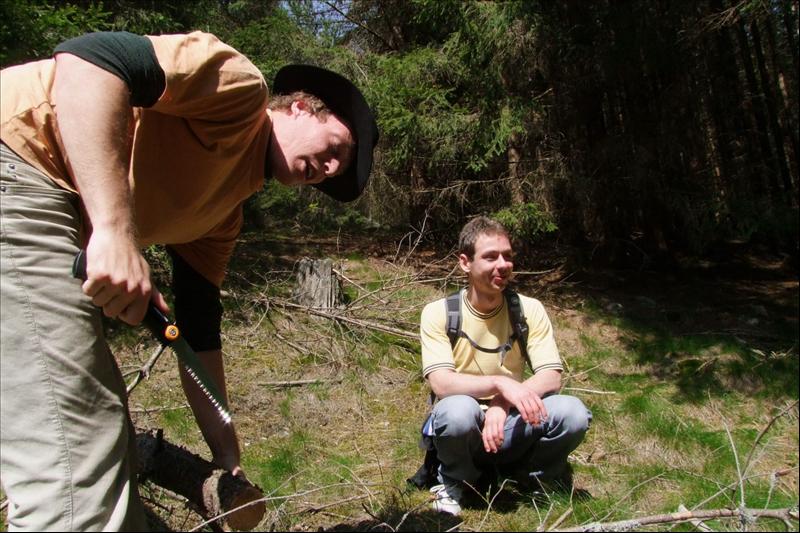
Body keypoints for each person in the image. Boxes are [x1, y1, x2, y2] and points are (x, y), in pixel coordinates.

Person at [0, 30, 378, 531]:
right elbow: (91, 60)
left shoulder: (221, 217)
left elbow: (198, 338)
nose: (329, 170)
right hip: (20, 157)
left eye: (336, 171)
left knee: (98, 434)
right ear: (302, 107)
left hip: (44, 199)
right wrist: (114, 232)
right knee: (78, 454)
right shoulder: (240, 91)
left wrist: (227, 457)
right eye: (335, 149)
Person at [418, 216, 591, 516]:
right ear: (465, 263)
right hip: (466, 428)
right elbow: (442, 384)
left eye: (507, 256)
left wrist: (502, 402)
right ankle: (455, 482)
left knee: (573, 413)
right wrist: (501, 383)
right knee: (456, 412)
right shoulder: (439, 313)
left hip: (512, 423)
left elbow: (551, 376)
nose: (503, 265)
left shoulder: (528, 309)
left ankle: (534, 479)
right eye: (490, 257)